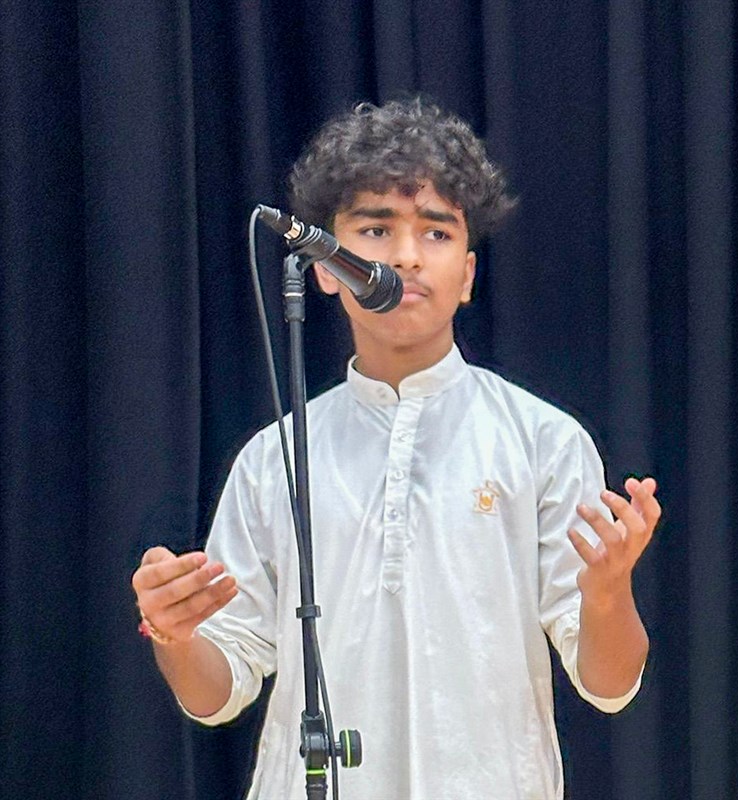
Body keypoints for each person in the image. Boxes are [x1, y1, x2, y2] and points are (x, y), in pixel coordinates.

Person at [130, 98, 659, 799]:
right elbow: (216, 693)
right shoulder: (272, 458)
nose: (406, 256)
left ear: (467, 276)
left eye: (436, 232)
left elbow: (609, 686)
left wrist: (608, 595)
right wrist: (174, 635)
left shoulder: (544, 442)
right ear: (324, 266)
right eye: (376, 229)